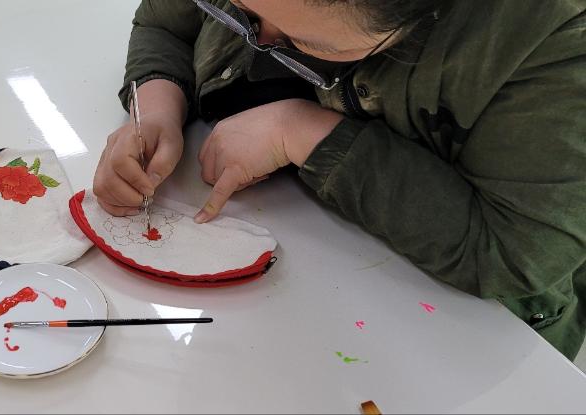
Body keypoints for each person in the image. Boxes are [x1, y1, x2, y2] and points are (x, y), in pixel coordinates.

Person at [92, 0, 586, 360]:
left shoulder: (555, 39)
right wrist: (157, 102)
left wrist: (302, 132)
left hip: (454, 341)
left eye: (304, 44)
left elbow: (516, 254)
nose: (258, 41)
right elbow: (166, 20)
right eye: (240, 9)